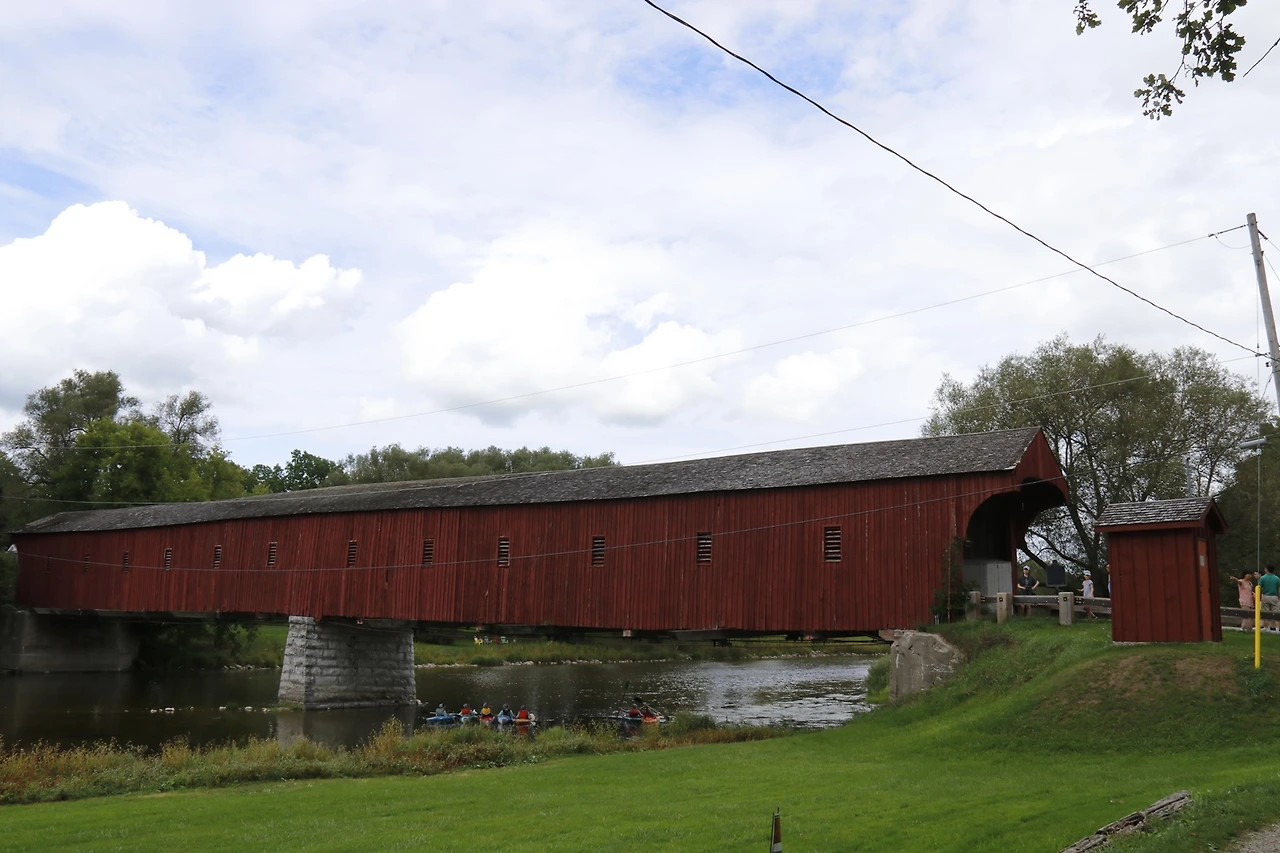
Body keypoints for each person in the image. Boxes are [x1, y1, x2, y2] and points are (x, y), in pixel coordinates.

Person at [1258, 565, 1280, 632]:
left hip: (1265, 596)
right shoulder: (1277, 578)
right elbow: (1279, 589)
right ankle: (1277, 629)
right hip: (1274, 596)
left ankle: (1267, 628)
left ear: (1266, 569)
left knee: (1266, 612)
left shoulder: (1263, 578)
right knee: (1276, 613)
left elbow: (1259, 587)